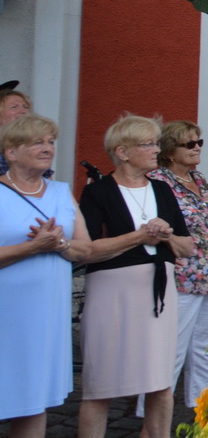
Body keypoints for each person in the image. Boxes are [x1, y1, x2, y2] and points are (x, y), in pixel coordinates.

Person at [78, 114, 194, 438]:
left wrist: (165, 236)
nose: (156, 149)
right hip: (111, 294)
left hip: (158, 294)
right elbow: (85, 250)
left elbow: (187, 247)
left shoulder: (162, 190)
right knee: (100, 384)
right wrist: (139, 236)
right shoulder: (98, 193)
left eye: (156, 143)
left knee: (160, 382)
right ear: (123, 151)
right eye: (148, 144)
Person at [1, 114, 94, 438]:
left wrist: (61, 244)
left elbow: (85, 249)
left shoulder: (60, 191)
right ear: (11, 152)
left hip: (45, 317)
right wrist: (33, 247)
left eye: (51, 142)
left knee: (33, 402)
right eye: (37, 142)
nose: (47, 148)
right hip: (6, 315)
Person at [136, 122, 208, 416]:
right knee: (172, 347)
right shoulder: (158, 181)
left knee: (205, 347)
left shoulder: (197, 178)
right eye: (189, 144)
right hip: (181, 275)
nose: (197, 147)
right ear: (170, 152)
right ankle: (149, 411)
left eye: (198, 142)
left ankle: (204, 410)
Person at [0, 87, 32, 175]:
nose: (23, 111)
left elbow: (47, 183)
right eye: (14, 107)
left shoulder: (33, 145)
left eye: (26, 107)